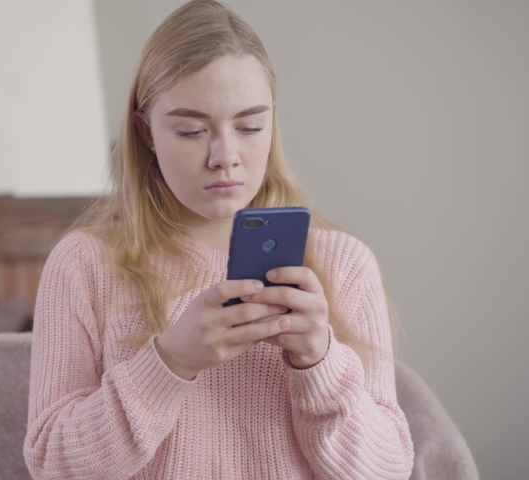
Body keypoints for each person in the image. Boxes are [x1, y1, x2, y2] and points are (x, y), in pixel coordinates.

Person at [23, 1, 414, 478]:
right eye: (191, 131)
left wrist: (321, 364)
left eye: (250, 127)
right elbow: (52, 464)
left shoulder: (344, 265)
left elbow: (388, 470)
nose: (225, 156)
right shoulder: (84, 264)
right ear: (146, 132)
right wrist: (169, 362)